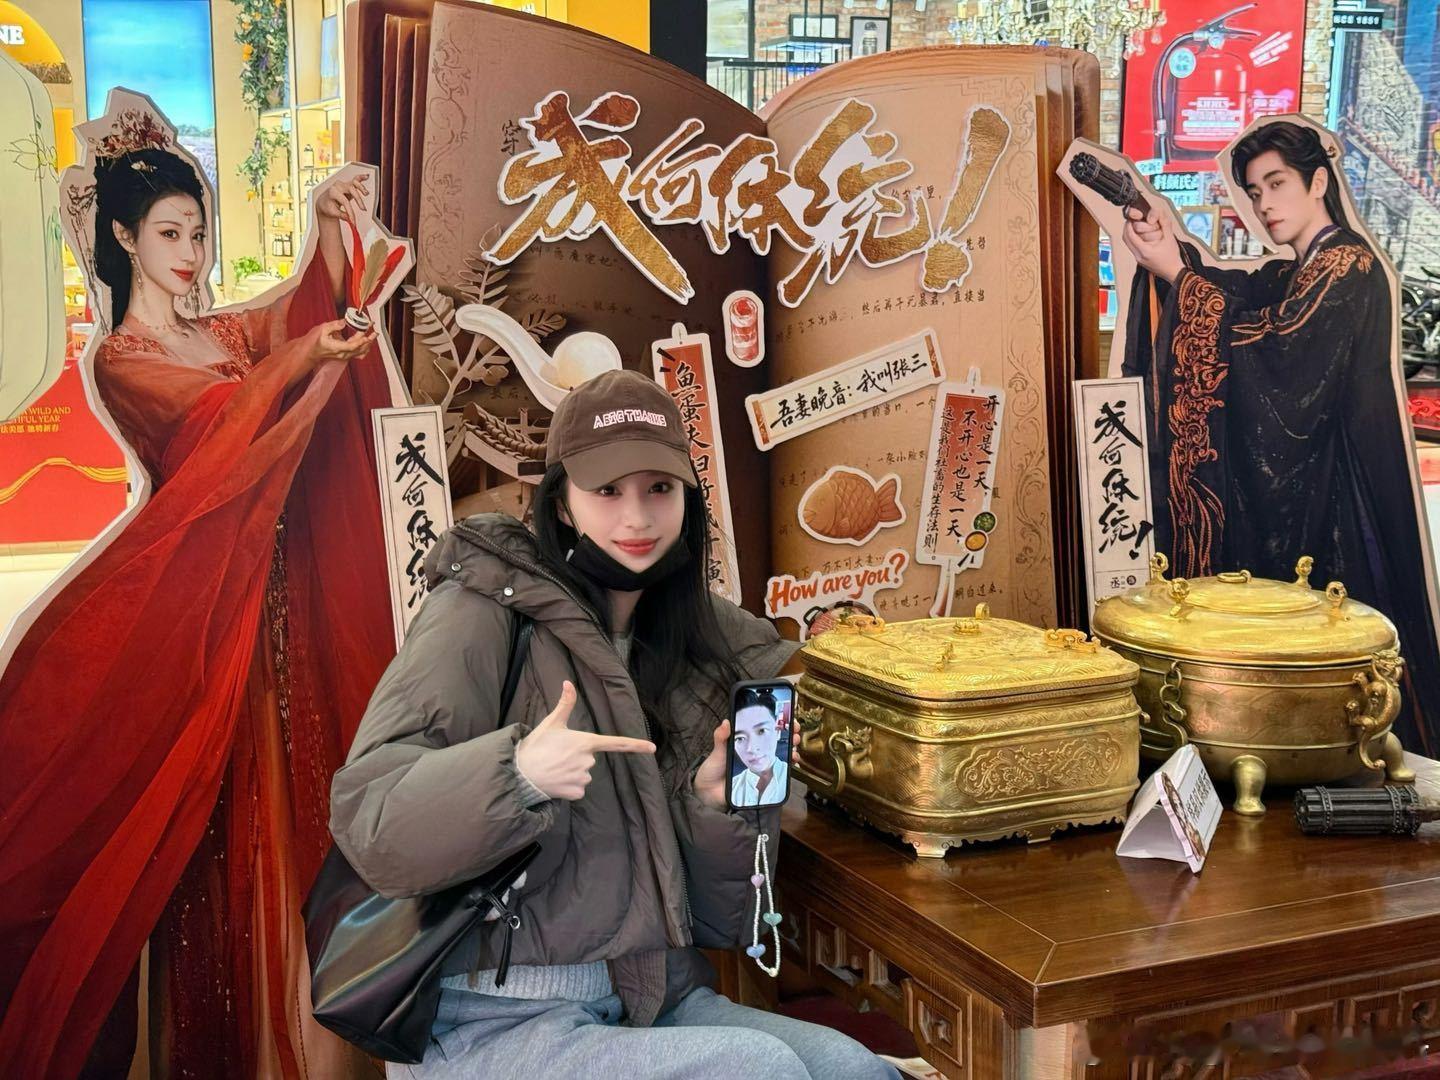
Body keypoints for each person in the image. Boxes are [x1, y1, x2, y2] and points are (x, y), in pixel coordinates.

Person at [331, 370, 897, 1079]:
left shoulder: (701, 637)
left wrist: (712, 807)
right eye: (606, 491)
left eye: (658, 489)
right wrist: (515, 775)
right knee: (759, 1071)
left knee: (849, 1068)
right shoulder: (480, 609)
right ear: (561, 503)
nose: (637, 518)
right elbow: (371, 817)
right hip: (487, 1019)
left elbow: (717, 921)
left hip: (646, 994)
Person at [0, 109, 396, 1079]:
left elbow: (288, 313)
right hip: (206, 625)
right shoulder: (123, 360)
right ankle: (238, 1050)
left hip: (280, 610)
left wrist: (327, 223)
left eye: (199, 232)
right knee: (220, 837)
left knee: (296, 814)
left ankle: (314, 1043)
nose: (190, 253)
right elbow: (226, 417)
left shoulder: (219, 330)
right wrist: (304, 359)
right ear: (125, 237)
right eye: (170, 233)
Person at [1120, 119, 1440, 755]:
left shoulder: (1346, 265)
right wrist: (1172, 253)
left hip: (1339, 499)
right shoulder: (1300, 268)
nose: (1264, 203)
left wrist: (1181, 279)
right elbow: (1240, 294)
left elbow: (1277, 344)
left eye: (1277, 183)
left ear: (1318, 182)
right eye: (1254, 190)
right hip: (1320, 486)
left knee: (1337, 653)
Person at [730, 686, 790, 809]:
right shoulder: (732, 789)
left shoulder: (793, 781)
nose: (751, 748)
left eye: (761, 731)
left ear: (777, 732)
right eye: (740, 738)